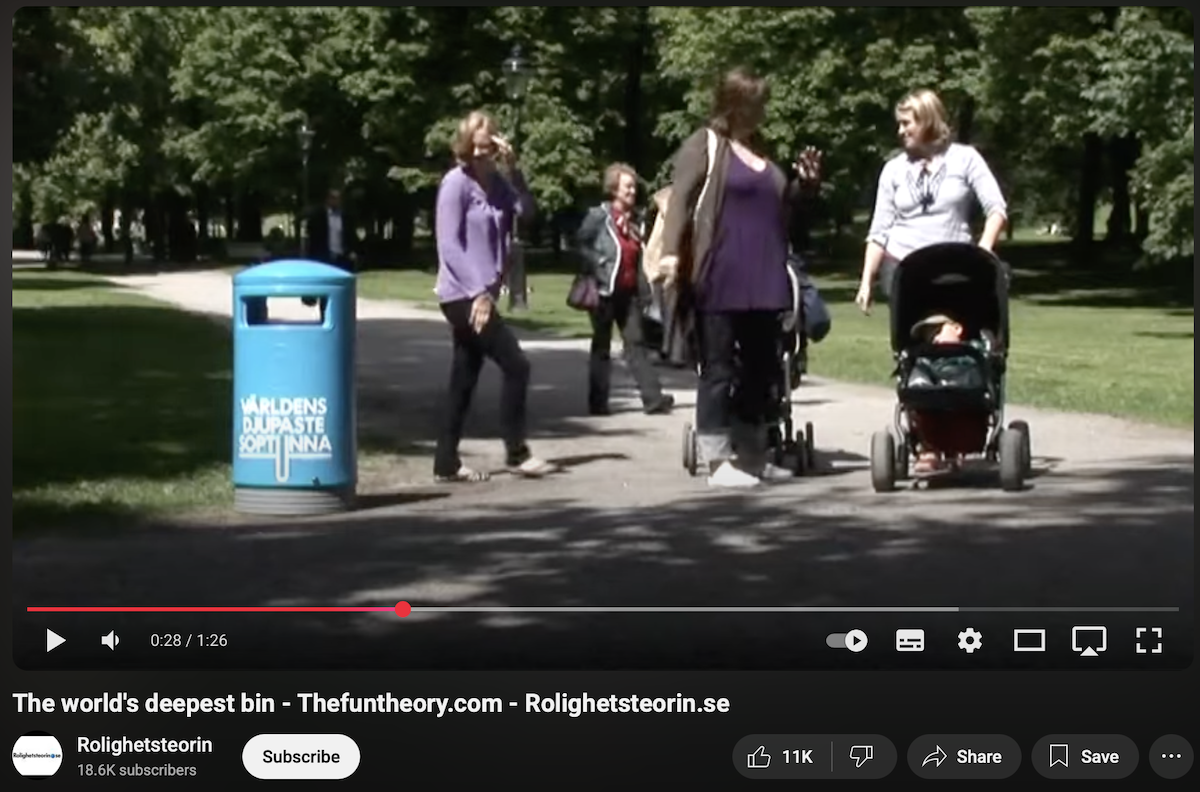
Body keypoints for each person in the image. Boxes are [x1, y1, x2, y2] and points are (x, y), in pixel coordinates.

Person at [657, 67, 822, 488]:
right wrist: (672, 254)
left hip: (766, 275)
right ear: (734, 103)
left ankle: (752, 452)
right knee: (718, 369)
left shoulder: (760, 151)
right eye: (755, 103)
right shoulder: (705, 144)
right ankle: (718, 463)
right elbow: (680, 200)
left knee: (762, 370)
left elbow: (784, 211)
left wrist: (805, 186)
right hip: (721, 274)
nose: (761, 111)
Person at [854, 89, 1009, 473]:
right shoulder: (893, 170)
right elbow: (879, 230)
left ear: (927, 121)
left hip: (959, 268)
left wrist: (986, 249)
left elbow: (996, 208)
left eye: (907, 122)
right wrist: (866, 279)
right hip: (908, 271)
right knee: (918, 352)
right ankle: (927, 439)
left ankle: (962, 429)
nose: (900, 129)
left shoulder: (965, 159)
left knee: (961, 346)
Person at [431, 110, 557, 483]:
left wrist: (514, 169)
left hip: (483, 294)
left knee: (464, 377)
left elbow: (526, 211)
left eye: (490, 146)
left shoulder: (500, 184)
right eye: (478, 147)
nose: (484, 153)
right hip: (460, 294)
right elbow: (448, 246)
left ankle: (445, 463)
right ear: (467, 146)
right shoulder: (456, 184)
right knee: (517, 364)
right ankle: (517, 453)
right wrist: (478, 295)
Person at [575, 162, 675, 416]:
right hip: (603, 291)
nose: (632, 190)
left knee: (636, 344)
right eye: (627, 186)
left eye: (633, 186)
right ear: (614, 189)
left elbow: (636, 259)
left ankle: (653, 399)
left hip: (627, 293)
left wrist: (644, 293)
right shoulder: (599, 216)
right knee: (602, 346)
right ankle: (597, 403)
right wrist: (598, 265)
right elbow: (582, 243)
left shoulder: (633, 222)